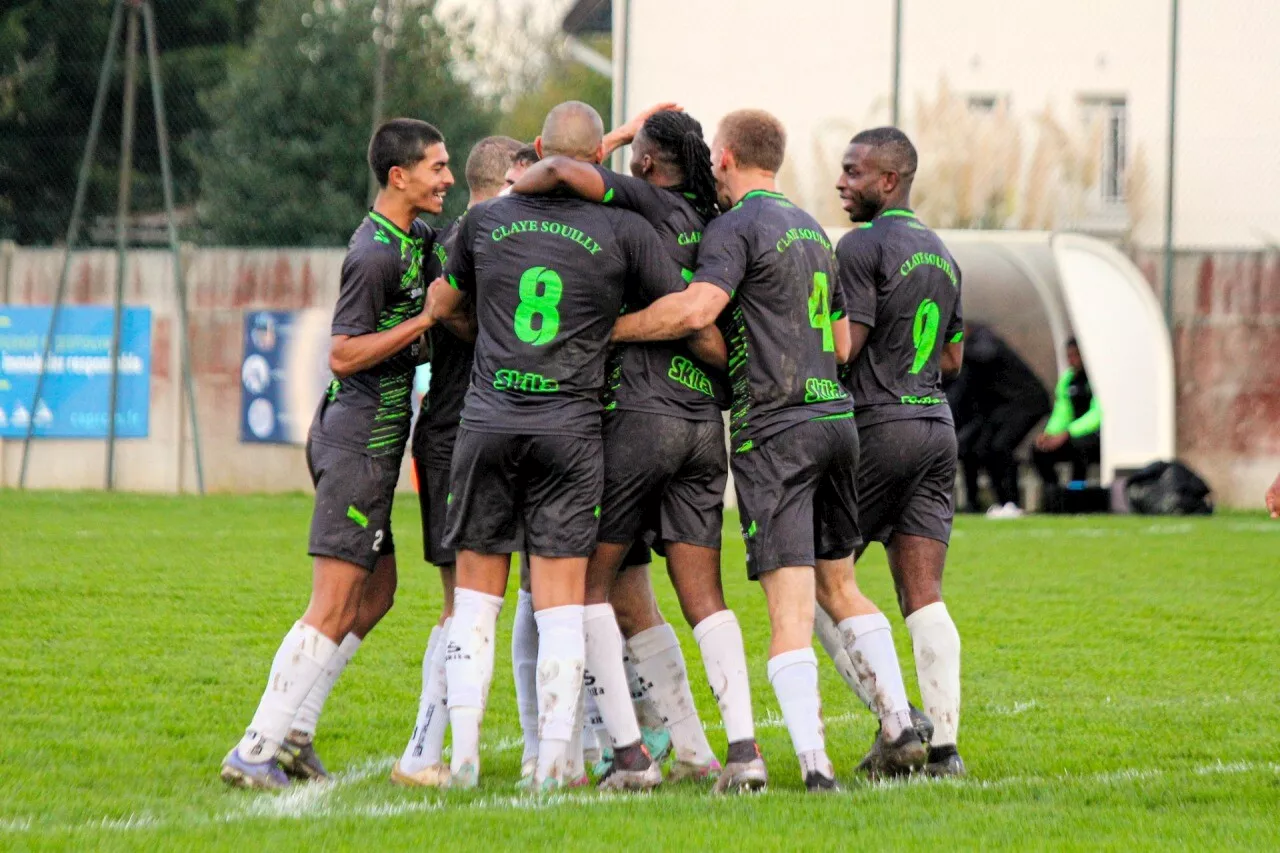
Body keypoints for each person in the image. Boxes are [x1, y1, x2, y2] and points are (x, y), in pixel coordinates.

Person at [611, 109, 926, 791]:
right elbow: (842, 345)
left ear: (723, 159)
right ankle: (900, 723)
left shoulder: (734, 226)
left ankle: (814, 766)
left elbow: (695, 310)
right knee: (840, 586)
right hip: (836, 420)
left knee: (787, 609)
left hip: (776, 429)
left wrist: (616, 328)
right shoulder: (814, 229)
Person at [427, 101, 700, 792]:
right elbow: (681, 310)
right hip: (571, 431)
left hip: (487, 422)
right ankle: (554, 760)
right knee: (559, 603)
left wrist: (485, 334)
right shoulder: (627, 229)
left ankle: (461, 759)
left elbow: (445, 302)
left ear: (539, 148)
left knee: (476, 600)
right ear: (600, 162)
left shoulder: (485, 221)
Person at [512, 107, 758, 789]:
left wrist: (606, 141)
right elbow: (710, 331)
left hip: (637, 418)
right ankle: (733, 750)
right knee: (698, 595)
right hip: (704, 424)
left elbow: (564, 169)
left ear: (647, 163)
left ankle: (629, 757)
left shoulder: (643, 200)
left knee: (584, 584)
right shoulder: (716, 224)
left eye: (631, 155)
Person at [220, 119, 454, 789]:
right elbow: (344, 352)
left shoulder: (419, 238)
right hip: (354, 442)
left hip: (377, 446)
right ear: (399, 176)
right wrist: (423, 322)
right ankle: (255, 747)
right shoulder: (374, 254)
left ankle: (296, 733)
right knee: (332, 602)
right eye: (436, 167)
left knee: (377, 593)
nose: (447, 178)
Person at [815, 126, 967, 777]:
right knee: (923, 593)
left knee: (819, 581)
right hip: (935, 424)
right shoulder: (941, 253)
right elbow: (954, 356)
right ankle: (945, 751)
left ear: (889, 180)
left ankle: (898, 720)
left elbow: (845, 345)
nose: (842, 182)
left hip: (877, 428)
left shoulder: (860, 245)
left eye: (853, 171)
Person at [392, 135, 522, 788]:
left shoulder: (483, 234)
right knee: (460, 599)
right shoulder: (470, 238)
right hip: (455, 433)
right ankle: (422, 751)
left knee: (522, 593)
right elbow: (460, 320)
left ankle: (548, 746)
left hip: (489, 430)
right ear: (511, 175)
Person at [956, 323, 1051, 517]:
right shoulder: (972, 351)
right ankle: (1003, 502)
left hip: (1027, 401)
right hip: (1007, 407)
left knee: (1001, 446)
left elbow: (986, 354)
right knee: (983, 448)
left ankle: (1012, 503)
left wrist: (956, 350)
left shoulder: (984, 339)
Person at [1033, 337, 1102, 493]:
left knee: (1080, 446)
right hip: (1070, 434)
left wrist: (1068, 432)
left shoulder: (1096, 379)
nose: (1071, 360)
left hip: (1094, 435)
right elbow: (1062, 411)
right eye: (1069, 356)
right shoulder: (1068, 379)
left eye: (1075, 355)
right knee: (1038, 450)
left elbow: (1097, 413)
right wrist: (1050, 433)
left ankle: (1076, 492)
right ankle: (1055, 492)